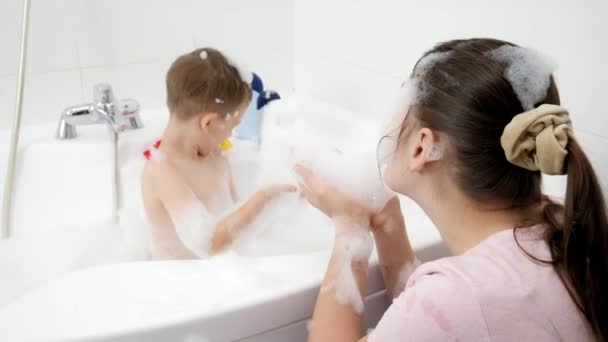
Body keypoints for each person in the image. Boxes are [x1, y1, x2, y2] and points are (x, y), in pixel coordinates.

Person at [298, 38, 607, 341]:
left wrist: (348, 228)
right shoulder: (561, 224)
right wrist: (388, 227)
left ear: (423, 147)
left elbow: (448, 309)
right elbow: (443, 320)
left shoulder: (459, 295)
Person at [142, 47, 295, 259]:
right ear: (209, 123)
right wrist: (264, 195)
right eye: (233, 126)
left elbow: (235, 215)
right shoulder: (161, 171)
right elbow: (206, 242)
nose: (230, 135)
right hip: (178, 284)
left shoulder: (214, 156)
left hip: (220, 270)